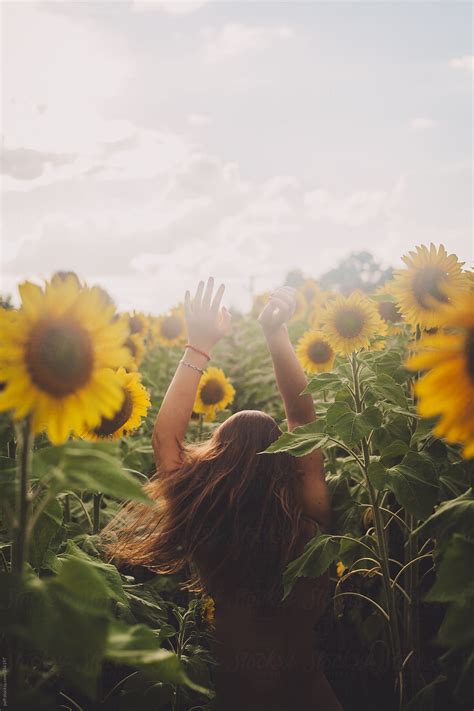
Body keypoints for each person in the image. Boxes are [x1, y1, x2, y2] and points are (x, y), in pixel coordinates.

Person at [106, 277, 342, 711]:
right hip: (312, 698)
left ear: (217, 465)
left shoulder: (207, 524)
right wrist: (276, 332)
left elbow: (166, 442)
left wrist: (198, 347)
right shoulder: (308, 520)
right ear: (285, 465)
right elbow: (303, 419)